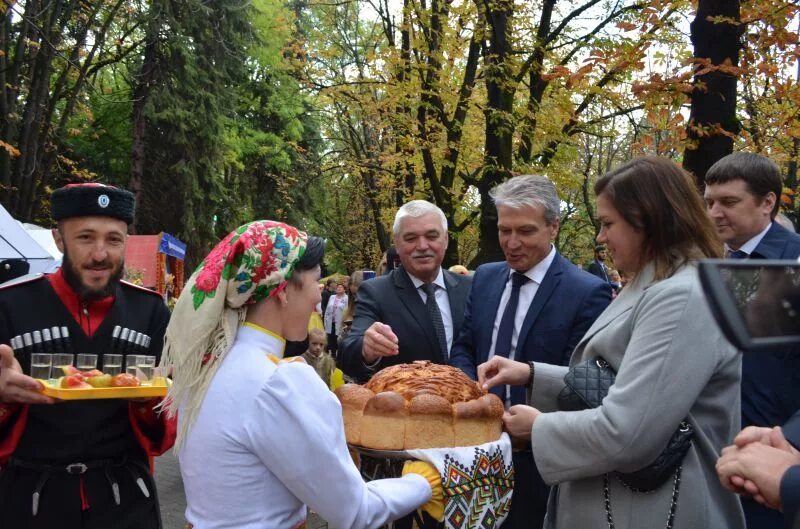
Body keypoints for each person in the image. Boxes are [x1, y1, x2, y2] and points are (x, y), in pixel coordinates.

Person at [477, 157, 745, 529]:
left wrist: (538, 429)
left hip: (652, 508)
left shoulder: (681, 297)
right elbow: (622, 381)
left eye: (608, 224)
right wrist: (532, 375)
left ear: (647, 221)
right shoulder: (653, 283)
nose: (600, 238)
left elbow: (627, 432)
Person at [160, 220, 443, 529]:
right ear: (281, 290)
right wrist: (426, 479)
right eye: (315, 283)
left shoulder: (205, 364)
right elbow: (356, 511)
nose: (317, 298)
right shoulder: (278, 381)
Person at [0, 183, 174, 529]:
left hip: (125, 501)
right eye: (85, 238)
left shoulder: (150, 311)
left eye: (113, 239)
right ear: (59, 239)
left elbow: (166, 429)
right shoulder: (10, 305)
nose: (100, 254)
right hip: (31, 502)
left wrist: (151, 400)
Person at [449, 174, 611, 529]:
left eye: (525, 231)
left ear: (553, 227)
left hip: (538, 461)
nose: (512, 242)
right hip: (473, 449)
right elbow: (464, 345)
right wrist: (467, 391)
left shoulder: (586, 292)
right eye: (504, 231)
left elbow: (582, 383)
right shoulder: (486, 278)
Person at [704, 151, 800, 528]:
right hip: (712, 453)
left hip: (774, 457)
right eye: (709, 202)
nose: (714, 213)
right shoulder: (703, 264)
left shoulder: (795, 265)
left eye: (728, 202)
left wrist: (789, 441)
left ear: (767, 203)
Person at [338, 200, 472, 383]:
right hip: (407, 405)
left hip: (467, 404)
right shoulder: (376, 292)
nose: (423, 246)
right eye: (411, 238)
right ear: (397, 243)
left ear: (446, 239)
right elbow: (348, 353)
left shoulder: (470, 287)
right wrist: (366, 350)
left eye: (432, 236)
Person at [323, 283, 348, 356]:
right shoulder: (332, 297)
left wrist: (345, 322)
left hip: (340, 322)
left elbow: (347, 311)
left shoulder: (346, 298)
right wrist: (325, 320)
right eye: (338, 287)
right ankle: (333, 355)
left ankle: (340, 356)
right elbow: (328, 309)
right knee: (331, 339)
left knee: (339, 339)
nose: (339, 288)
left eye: (341, 287)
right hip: (330, 322)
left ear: (344, 289)